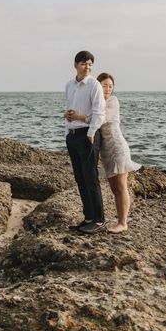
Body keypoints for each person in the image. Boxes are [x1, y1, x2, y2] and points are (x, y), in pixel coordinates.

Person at [64, 50, 106, 234]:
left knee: (91, 178)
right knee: (80, 178)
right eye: (84, 63)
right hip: (72, 135)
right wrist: (67, 124)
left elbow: (99, 112)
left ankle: (99, 220)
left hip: (88, 135)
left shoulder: (94, 85)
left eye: (90, 64)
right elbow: (70, 108)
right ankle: (88, 217)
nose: (87, 67)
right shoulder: (69, 85)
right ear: (75, 64)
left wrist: (91, 133)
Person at [97, 72, 141, 233]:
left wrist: (79, 116)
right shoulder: (96, 102)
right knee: (115, 189)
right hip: (106, 151)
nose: (108, 89)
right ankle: (120, 221)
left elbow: (100, 119)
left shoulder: (112, 101)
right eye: (104, 85)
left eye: (110, 86)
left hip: (117, 147)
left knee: (121, 187)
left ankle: (123, 223)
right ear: (97, 86)